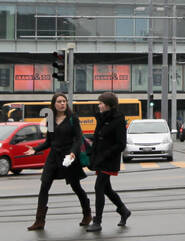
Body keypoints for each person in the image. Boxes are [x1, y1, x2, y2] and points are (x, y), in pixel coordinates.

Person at [27, 93, 92, 231]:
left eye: (64, 101)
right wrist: (35, 149)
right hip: (53, 158)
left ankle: (87, 214)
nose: (62, 103)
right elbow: (49, 142)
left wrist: (73, 152)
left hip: (69, 158)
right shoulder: (49, 119)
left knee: (76, 187)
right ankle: (39, 221)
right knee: (44, 186)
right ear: (54, 104)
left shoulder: (72, 119)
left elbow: (78, 139)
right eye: (59, 101)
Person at [86, 92, 131, 232]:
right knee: (106, 189)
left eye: (101, 103)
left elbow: (121, 143)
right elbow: (98, 138)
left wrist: (105, 154)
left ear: (108, 105)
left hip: (109, 159)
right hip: (100, 159)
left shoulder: (118, 119)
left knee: (99, 187)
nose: (98, 105)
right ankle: (124, 210)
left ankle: (97, 221)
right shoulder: (102, 118)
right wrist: (92, 154)